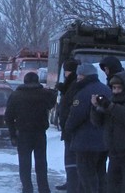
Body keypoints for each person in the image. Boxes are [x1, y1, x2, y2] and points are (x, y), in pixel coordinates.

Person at [5, 71, 58, 193]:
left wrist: (13, 134)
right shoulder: (44, 94)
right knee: (41, 163)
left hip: (23, 133)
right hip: (39, 133)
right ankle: (44, 188)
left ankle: (27, 188)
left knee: (24, 164)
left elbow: (8, 117)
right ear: (37, 81)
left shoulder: (16, 95)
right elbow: (51, 103)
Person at [91, 73, 125, 193]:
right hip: (114, 153)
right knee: (111, 187)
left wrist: (110, 107)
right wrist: (96, 108)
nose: (116, 91)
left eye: (119, 88)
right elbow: (98, 123)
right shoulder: (111, 103)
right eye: (114, 88)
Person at [63, 63, 111, 193]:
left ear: (84, 76)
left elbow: (76, 116)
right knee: (100, 175)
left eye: (79, 77)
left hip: (86, 142)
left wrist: (67, 129)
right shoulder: (106, 89)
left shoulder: (83, 92)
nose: (77, 80)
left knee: (86, 178)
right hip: (103, 141)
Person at [55, 59, 81, 192]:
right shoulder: (70, 83)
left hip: (71, 128)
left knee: (72, 158)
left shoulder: (75, 84)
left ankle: (73, 184)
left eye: (66, 70)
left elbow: (71, 105)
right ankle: (71, 181)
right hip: (68, 126)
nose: (65, 73)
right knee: (70, 157)